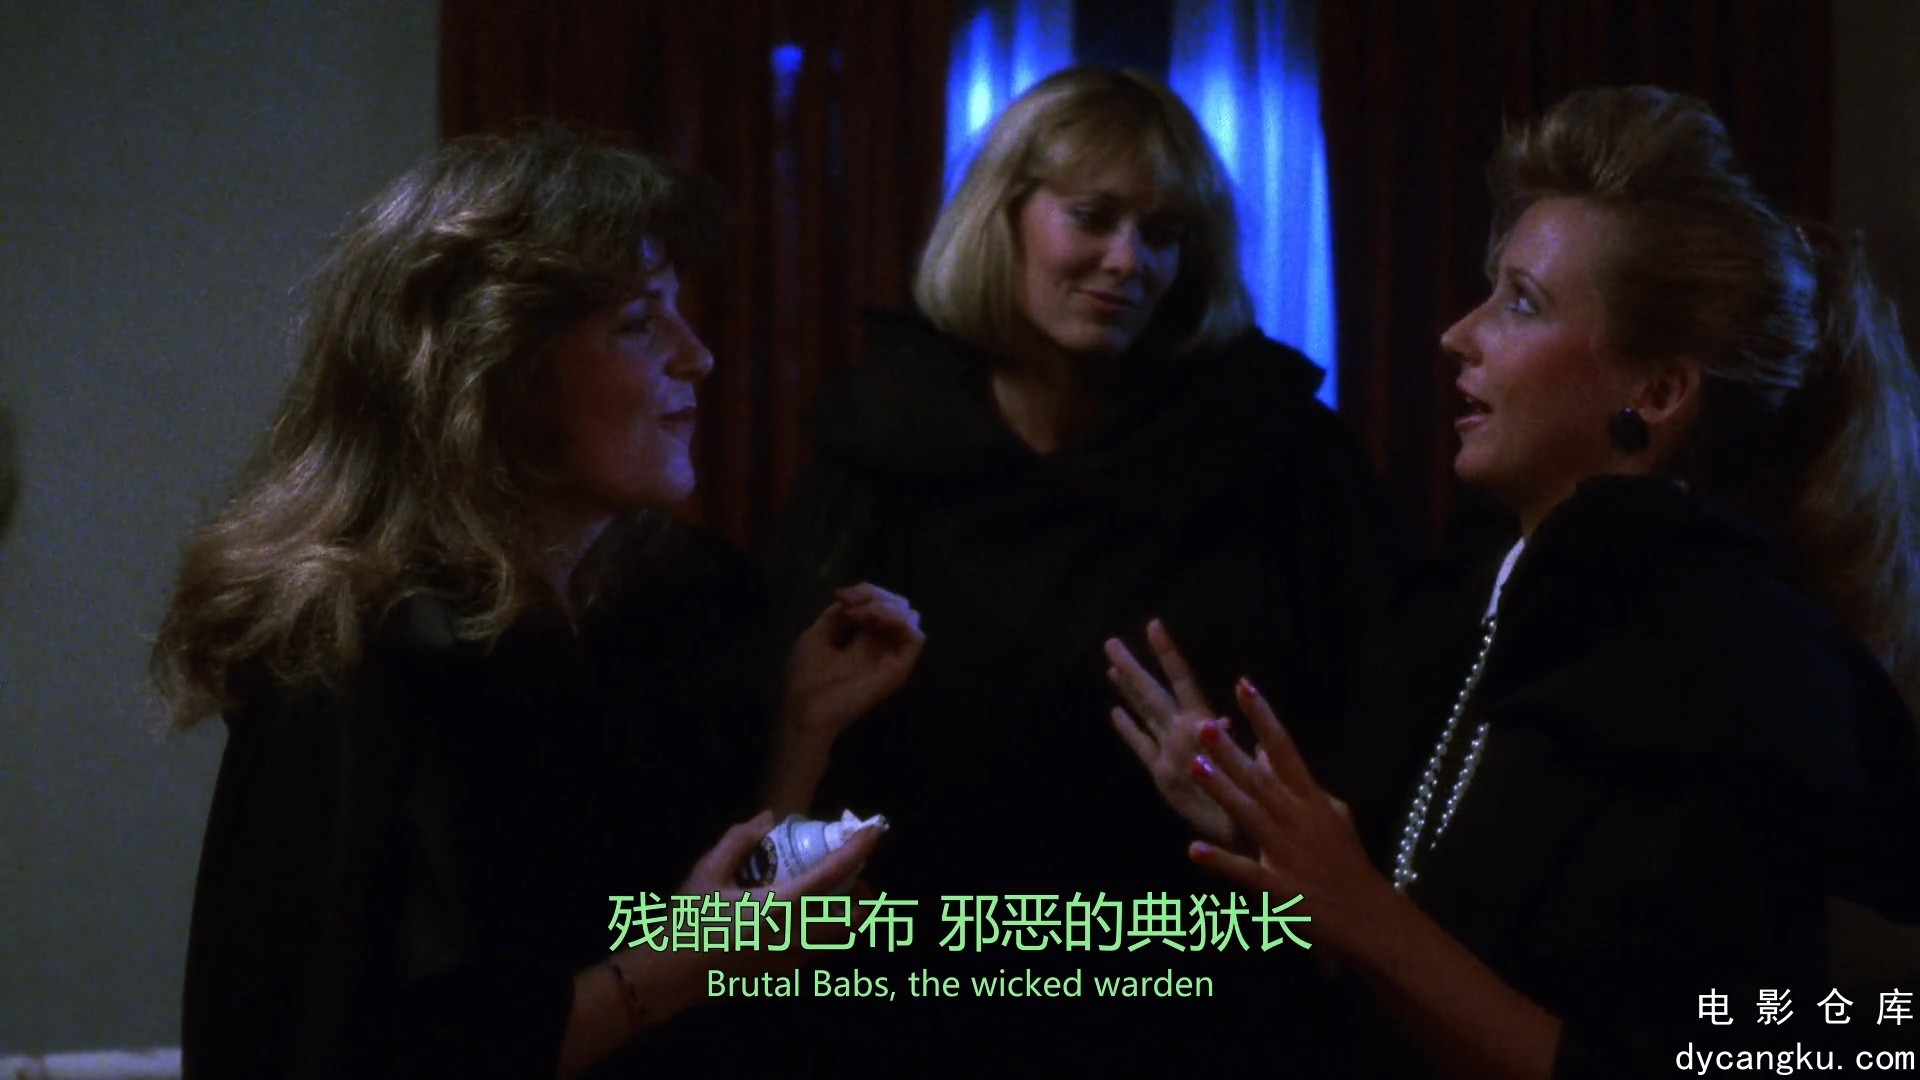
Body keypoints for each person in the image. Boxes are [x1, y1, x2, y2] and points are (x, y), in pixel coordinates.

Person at [1112, 85, 1920, 1077]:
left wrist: (1362, 912)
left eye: (1521, 302)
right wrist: (1268, 836)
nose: (1459, 334)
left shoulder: (1732, 663)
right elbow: (1427, 957)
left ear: (1657, 390)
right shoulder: (1475, 601)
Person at [153, 128, 924, 1079]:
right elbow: (358, 1044)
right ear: (495, 368)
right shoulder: (353, 649)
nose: (698, 358)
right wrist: (679, 966)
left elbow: (719, 943)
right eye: (638, 325)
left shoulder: (677, 600)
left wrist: (801, 732)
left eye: (677, 312)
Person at [765, 67, 1392, 1070]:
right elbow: (785, 775)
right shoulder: (878, 449)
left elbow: (1379, 733)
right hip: (923, 1002)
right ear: (1003, 218)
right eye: (1093, 218)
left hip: (1204, 1000)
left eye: (1164, 232)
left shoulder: (1276, 452)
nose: (1128, 261)